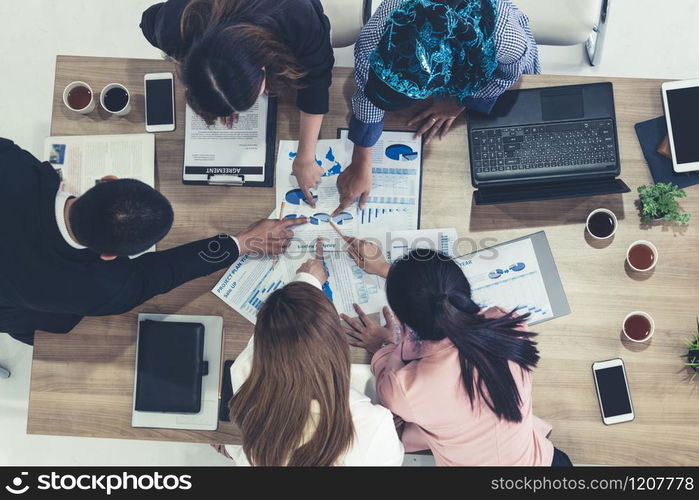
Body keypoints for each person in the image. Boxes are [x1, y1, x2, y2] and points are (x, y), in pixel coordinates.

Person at [0, 137, 305, 345]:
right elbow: (167, 271)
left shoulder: (13, 164)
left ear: (108, 180)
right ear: (108, 256)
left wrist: (241, 241)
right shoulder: (99, 290)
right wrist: (242, 242)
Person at [339, 238, 573, 466]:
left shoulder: (403, 389)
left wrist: (383, 345)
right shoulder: (509, 327)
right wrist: (385, 269)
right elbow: (442, 300)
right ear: (464, 293)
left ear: (401, 322)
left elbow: (387, 375)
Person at [334, 0, 540, 215]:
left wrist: (459, 102)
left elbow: (506, 77)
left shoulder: (506, 40)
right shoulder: (390, 16)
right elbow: (366, 78)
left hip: (488, 66)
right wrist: (362, 156)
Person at [225, 241, 404, 466]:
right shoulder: (371, 426)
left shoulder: (246, 380)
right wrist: (386, 347)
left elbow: (272, 335)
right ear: (338, 346)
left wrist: (307, 282)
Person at [141, 0, 334, 206]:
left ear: (262, 67)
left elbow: (316, 81)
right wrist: (221, 90)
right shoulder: (173, 26)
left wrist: (305, 158)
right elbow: (147, 21)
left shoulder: (295, 13)